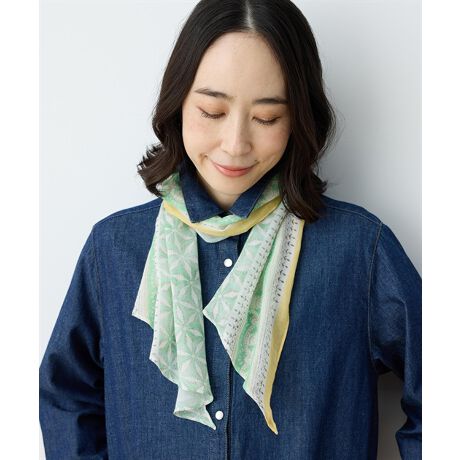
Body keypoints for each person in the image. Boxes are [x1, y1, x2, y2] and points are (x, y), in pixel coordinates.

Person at [39, 0, 422, 459]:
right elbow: (66, 394)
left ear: (299, 118)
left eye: (267, 118)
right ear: (179, 103)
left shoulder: (359, 251)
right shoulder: (114, 249)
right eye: (212, 111)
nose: (236, 144)